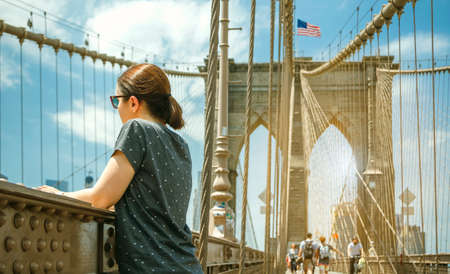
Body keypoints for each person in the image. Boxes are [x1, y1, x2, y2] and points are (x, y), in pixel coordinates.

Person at [38, 64, 203, 273]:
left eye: (116, 101)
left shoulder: (136, 128)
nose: (117, 108)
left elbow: (101, 198)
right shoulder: (181, 145)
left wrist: (59, 194)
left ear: (133, 102)